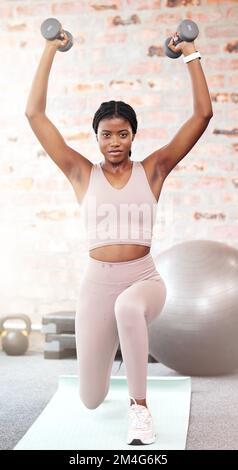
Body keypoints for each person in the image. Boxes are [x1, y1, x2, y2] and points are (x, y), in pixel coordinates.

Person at [25, 28, 213, 446]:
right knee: (90, 399)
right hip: (96, 285)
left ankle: (139, 409)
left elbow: (202, 116)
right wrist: (49, 48)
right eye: (106, 134)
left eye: (122, 133)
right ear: (96, 137)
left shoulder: (154, 170)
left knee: (129, 308)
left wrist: (190, 52)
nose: (115, 141)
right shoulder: (79, 172)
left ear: (133, 135)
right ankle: (113, 364)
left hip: (143, 280)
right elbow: (35, 116)